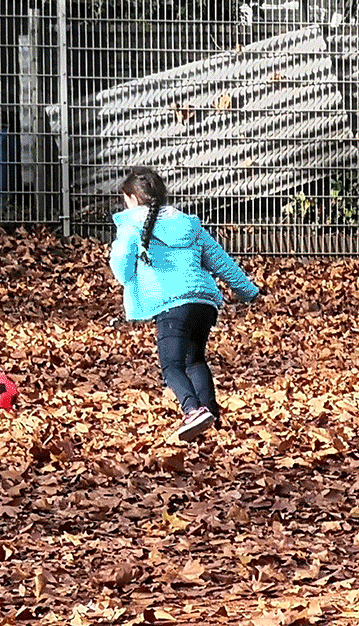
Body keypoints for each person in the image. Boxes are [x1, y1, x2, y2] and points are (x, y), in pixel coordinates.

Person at [109, 167, 260, 442]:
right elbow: (220, 261)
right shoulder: (188, 223)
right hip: (203, 303)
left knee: (171, 366)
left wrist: (124, 257)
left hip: (171, 305)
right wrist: (248, 291)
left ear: (131, 198)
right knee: (195, 360)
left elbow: (122, 268)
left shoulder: (131, 223)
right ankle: (210, 416)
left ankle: (192, 410)